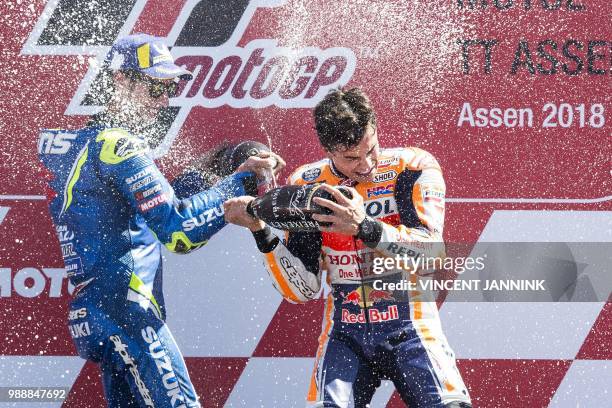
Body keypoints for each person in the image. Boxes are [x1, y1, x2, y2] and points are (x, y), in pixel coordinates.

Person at [38, 33, 282, 407]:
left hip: (97, 314)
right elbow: (178, 232)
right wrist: (242, 179)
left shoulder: (82, 144)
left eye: (168, 89)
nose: (163, 101)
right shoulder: (120, 145)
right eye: (155, 88)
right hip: (130, 314)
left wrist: (214, 169)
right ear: (121, 81)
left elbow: (143, 208)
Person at [224, 88, 472, 407]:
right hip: (346, 333)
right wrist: (260, 231)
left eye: (372, 149)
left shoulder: (411, 167)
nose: (366, 165)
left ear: (375, 130)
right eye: (352, 158)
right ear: (328, 150)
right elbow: (303, 290)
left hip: (410, 326)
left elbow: (431, 256)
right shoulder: (308, 185)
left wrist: (364, 227)